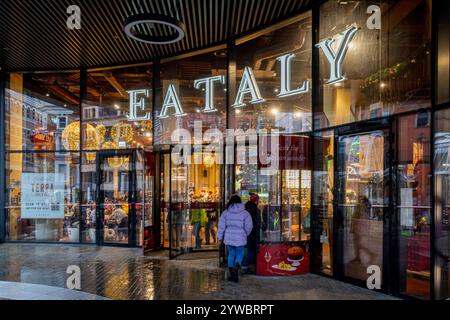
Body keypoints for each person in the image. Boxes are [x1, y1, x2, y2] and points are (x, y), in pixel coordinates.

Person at [218, 195, 253, 282]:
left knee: (231, 254)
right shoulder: (245, 213)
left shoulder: (225, 213)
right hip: (240, 237)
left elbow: (221, 226)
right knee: (240, 253)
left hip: (229, 237)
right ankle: (236, 267)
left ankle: (231, 273)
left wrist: (220, 237)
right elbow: (249, 226)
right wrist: (245, 234)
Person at [242, 193, 259, 274]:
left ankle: (244, 266)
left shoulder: (245, 209)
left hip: (245, 233)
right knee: (251, 251)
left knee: (247, 250)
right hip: (252, 233)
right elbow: (257, 223)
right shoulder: (255, 210)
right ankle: (246, 267)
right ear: (256, 201)